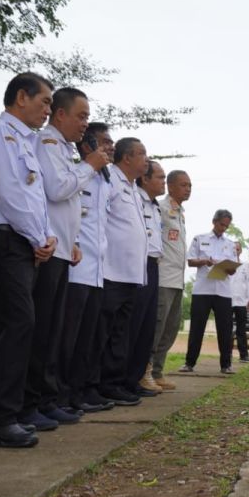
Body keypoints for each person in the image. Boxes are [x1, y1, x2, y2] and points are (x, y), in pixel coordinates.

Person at [0, 72, 55, 449]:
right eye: (45, 102)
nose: (47, 110)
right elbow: (7, 192)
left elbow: (36, 197)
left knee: (4, 328)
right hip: (6, 240)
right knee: (19, 323)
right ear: (22, 97)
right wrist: (38, 237)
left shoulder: (28, 141)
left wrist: (46, 235)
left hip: (25, 243)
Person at [25, 86, 107, 430]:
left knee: (52, 332)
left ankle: (44, 400)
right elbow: (58, 190)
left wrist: (72, 240)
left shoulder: (63, 149)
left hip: (62, 250)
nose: (85, 125)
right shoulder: (47, 144)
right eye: (81, 116)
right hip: (46, 250)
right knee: (42, 332)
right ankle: (33, 402)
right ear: (61, 115)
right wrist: (88, 166)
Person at [61, 123, 115, 413]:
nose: (110, 147)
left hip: (97, 271)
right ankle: (60, 395)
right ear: (87, 145)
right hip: (74, 269)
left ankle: (79, 393)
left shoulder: (105, 182)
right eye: (104, 142)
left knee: (89, 338)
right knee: (67, 338)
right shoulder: (76, 173)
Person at [96, 137, 150, 406]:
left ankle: (114, 383)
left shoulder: (133, 188)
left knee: (121, 333)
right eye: (142, 154)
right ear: (126, 158)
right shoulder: (110, 181)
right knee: (104, 332)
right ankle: (97, 384)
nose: (146, 159)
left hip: (130, 274)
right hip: (111, 270)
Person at [181, 209, 239, 373]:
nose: (223, 229)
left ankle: (226, 365)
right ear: (214, 221)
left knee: (225, 330)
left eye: (226, 226)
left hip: (223, 291)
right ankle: (189, 363)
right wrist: (204, 261)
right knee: (197, 328)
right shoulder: (200, 239)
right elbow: (190, 261)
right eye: (221, 225)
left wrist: (229, 268)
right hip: (202, 290)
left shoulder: (230, 244)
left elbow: (233, 268)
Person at [127, 160, 166, 397]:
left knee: (147, 326)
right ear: (145, 179)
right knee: (135, 323)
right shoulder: (136, 200)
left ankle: (138, 377)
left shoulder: (154, 206)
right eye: (160, 177)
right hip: (137, 263)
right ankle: (128, 379)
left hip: (153, 264)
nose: (163, 182)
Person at [149, 169, 190, 390]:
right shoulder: (161, 209)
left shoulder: (180, 212)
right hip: (163, 277)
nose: (188, 189)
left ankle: (158, 371)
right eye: (183, 185)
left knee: (171, 327)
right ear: (171, 186)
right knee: (158, 326)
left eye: (190, 185)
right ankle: (146, 370)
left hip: (178, 279)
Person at [230, 243, 249, 363]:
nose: (236, 250)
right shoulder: (226, 263)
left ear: (241, 251)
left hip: (241, 302)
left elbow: (248, 283)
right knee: (227, 329)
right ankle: (227, 354)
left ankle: (244, 355)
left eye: (238, 248)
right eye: (234, 248)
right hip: (228, 300)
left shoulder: (245, 265)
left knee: (241, 330)